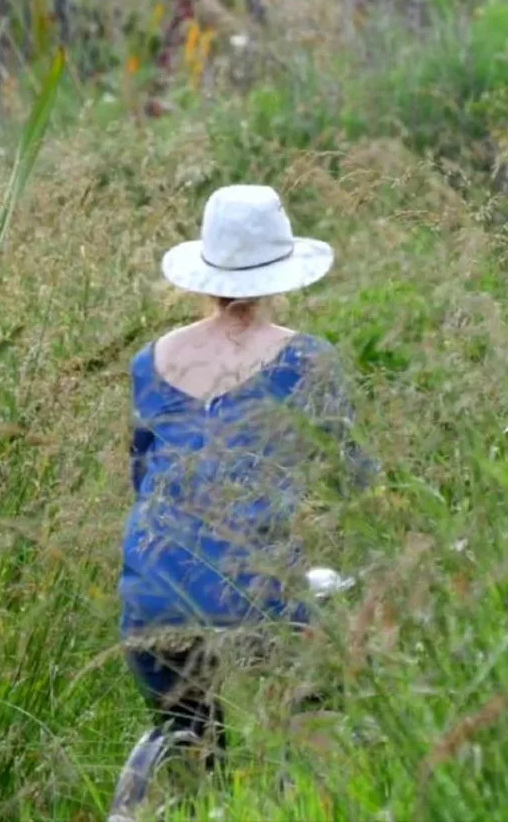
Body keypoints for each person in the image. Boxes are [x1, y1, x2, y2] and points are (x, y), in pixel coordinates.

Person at [118, 183, 375, 769]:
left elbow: (142, 476)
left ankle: (194, 781)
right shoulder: (309, 359)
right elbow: (357, 478)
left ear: (204, 271)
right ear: (285, 272)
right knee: (320, 694)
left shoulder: (149, 362)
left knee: (196, 744)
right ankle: (301, 789)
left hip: (152, 597)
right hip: (256, 594)